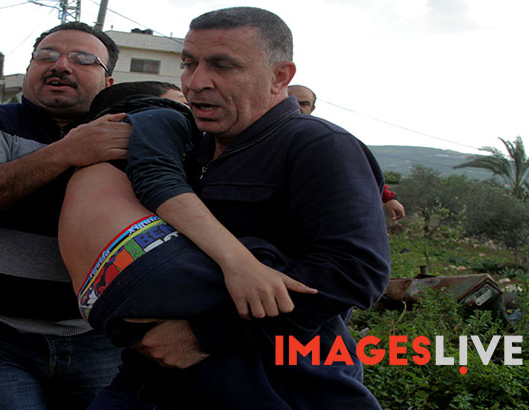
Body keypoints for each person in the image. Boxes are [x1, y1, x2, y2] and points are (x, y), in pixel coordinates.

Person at [80, 7, 392, 409]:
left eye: (223, 66)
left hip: (272, 385)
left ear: (280, 76)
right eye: (189, 64)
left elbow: (354, 273)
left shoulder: (318, 146)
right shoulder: (194, 147)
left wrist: (204, 334)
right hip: (151, 383)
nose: (196, 83)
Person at [59, 81, 319, 409]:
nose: (196, 109)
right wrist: (243, 260)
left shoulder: (84, 169)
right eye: (185, 101)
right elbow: (158, 177)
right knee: (279, 280)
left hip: (101, 300)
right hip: (144, 259)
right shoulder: (159, 116)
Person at [0, 22, 128, 410]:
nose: (61, 66)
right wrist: (67, 152)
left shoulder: (127, 134)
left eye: (83, 59)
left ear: (108, 82)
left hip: (97, 336)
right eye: (47, 56)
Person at [288, 84, 406, 220]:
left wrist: (388, 198)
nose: (298, 107)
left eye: (304, 104)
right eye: (291, 101)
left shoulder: (324, 138)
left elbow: (356, 169)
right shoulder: (265, 131)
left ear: (312, 108)